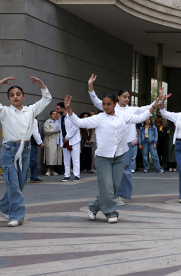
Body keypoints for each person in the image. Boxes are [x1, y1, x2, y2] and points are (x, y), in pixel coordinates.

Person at [64, 93, 165, 223]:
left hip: (119, 156)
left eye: (109, 104)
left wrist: (153, 107)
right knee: (106, 186)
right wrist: (69, 109)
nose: (105, 106)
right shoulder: (98, 118)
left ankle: (94, 206)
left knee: (114, 187)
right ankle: (111, 212)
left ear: (115, 104)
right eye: (104, 104)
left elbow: (140, 117)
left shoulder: (123, 115)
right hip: (103, 157)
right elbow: (78, 122)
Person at [0, 75, 51, 227]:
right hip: (9, 151)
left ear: (23, 96)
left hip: (26, 150)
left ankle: (4, 205)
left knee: (20, 183)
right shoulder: (4, 111)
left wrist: (41, 84)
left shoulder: (31, 110)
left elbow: (47, 99)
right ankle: (16, 216)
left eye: (18, 94)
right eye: (11, 95)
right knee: (12, 183)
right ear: (8, 98)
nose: (15, 97)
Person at [88, 74, 160, 206]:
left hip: (126, 143)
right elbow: (96, 101)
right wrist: (90, 86)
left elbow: (144, 111)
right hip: (110, 144)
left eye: (128, 97)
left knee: (125, 170)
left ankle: (121, 195)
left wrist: (156, 103)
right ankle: (110, 195)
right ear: (118, 98)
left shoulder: (131, 110)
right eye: (124, 96)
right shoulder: (110, 107)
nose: (127, 99)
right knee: (109, 172)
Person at [55, 102, 81, 182]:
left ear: (63, 109)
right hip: (65, 141)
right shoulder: (60, 118)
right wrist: (56, 120)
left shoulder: (72, 116)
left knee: (75, 158)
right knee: (66, 159)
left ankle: (77, 175)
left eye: (58, 109)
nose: (56, 111)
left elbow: (75, 127)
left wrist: (67, 137)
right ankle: (67, 175)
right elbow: (57, 129)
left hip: (74, 140)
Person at [43, 110, 62, 176]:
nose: (55, 115)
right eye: (53, 114)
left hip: (57, 141)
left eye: (56, 114)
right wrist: (56, 130)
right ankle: (48, 170)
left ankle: (53, 170)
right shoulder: (47, 122)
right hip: (50, 141)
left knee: (55, 157)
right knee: (50, 156)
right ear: (50, 115)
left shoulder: (59, 122)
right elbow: (46, 131)